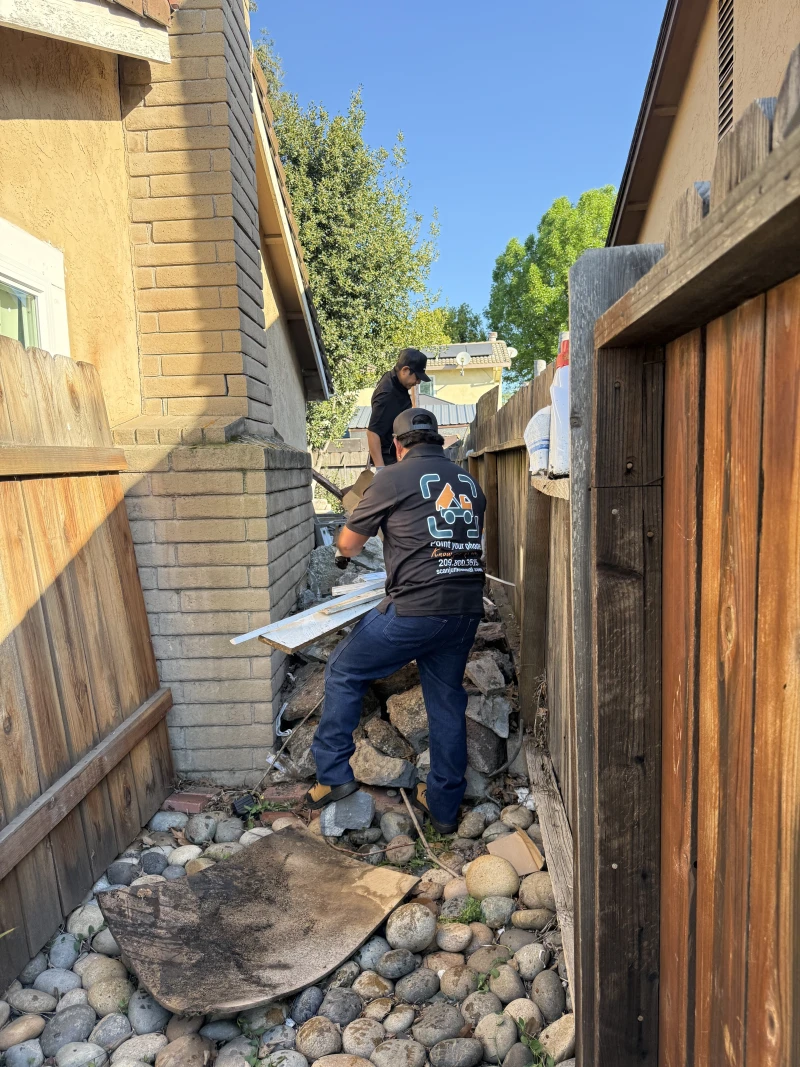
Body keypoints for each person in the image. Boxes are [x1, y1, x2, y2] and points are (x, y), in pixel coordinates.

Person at [306, 408, 487, 834]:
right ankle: (443, 809)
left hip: (413, 611)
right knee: (446, 701)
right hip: (464, 611)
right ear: (439, 441)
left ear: (399, 445)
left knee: (345, 669)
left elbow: (349, 543)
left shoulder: (391, 477)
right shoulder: (469, 482)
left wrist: (340, 550)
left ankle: (333, 776)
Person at [366, 348, 431, 469]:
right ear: (405, 370)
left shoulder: (395, 380)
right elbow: (372, 433)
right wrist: (381, 470)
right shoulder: (387, 394)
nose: (418, 382)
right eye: (417, 377)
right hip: (389, 461)